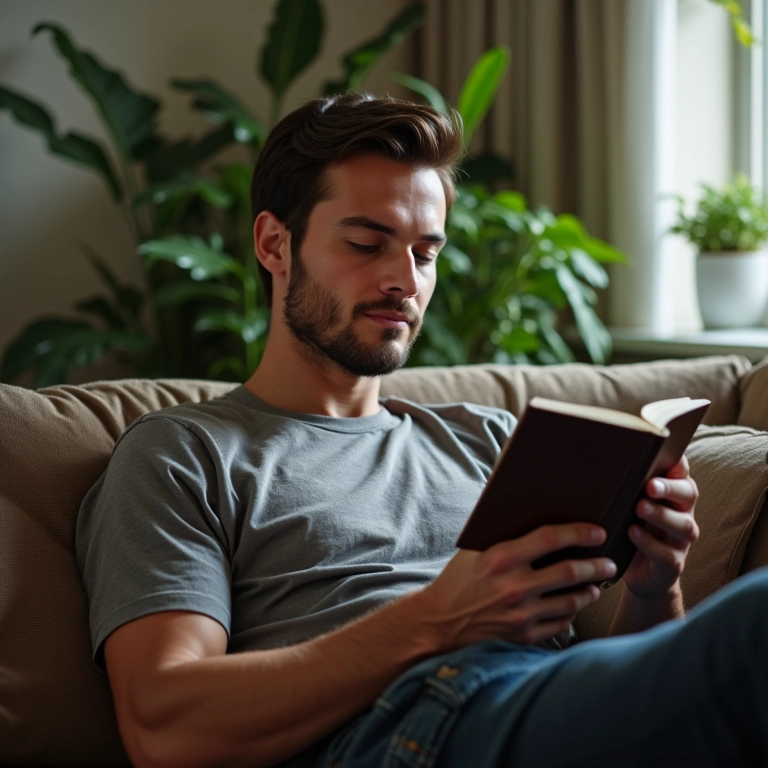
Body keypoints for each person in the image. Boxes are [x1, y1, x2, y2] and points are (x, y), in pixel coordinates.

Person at [76, 92, 768, 768]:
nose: (404, 280)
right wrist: (439, 617)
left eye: (425, 253)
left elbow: (626, 712)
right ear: (274, 244)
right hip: (398, 729)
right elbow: (164, 727)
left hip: (535, 705)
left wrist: (653, 589)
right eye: (367, 243)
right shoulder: (183, 454)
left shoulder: (488, 440)